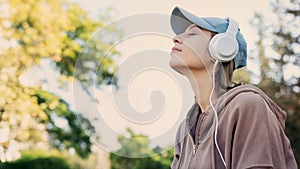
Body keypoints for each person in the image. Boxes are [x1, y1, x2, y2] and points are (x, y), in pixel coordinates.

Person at [169, 6, 297, 169]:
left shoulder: (248, 106)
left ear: (221, 48)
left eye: (192, 33)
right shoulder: (185, 131)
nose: (176, 38)